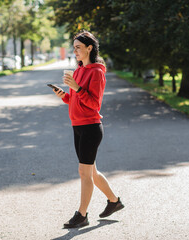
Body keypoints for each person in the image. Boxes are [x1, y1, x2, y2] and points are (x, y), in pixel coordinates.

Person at [53, 31, 124, 229]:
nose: (74, 51)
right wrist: (63, 95)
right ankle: (114, 201)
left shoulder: (96, 72)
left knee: (84, 172)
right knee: (91, 171)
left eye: (78, 47)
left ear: (89, 48)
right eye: (73, 47)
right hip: (77, 127)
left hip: (91, 127)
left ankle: (82, 215)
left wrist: (76, 88)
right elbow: (74, 99)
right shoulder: (78, 70)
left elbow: (94, 104)